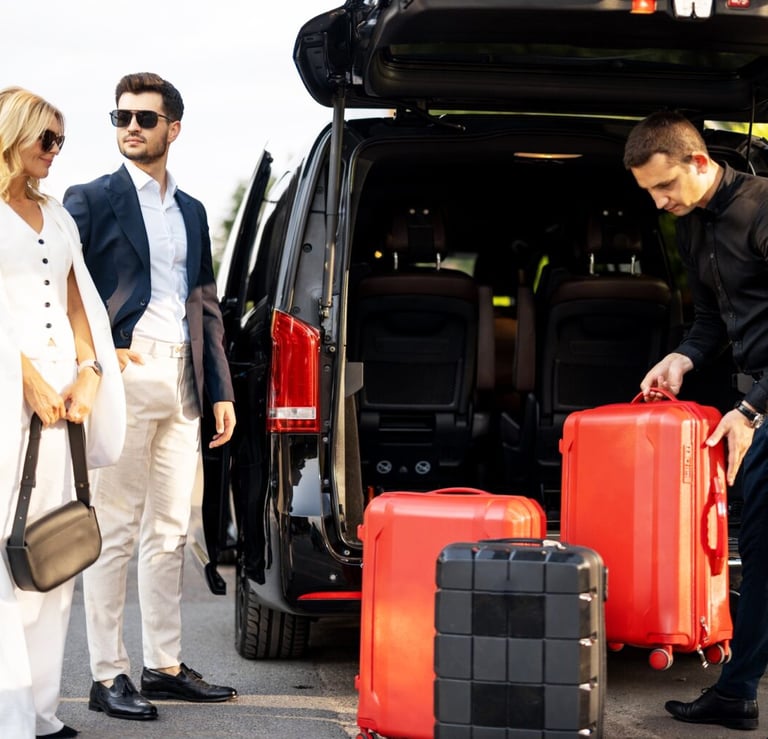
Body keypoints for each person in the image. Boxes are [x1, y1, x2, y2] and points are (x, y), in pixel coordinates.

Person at [63, 72, 237, 722]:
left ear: (173, 128)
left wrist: (218, 387)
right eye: (121, 115)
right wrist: (96, 352)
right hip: (126, 378)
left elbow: (205, 304)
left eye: (143, 116)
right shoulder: (91, 199)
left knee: (169, 531)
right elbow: (60, 284)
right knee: (114, 531)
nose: (130, 125)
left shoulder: (191, 210)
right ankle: (107, 675)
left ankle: (162, 665)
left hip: (184, 384)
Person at [624, 110, 768, 731]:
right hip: (757, 397)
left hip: (762, 402)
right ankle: (737, 695)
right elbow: (712, 318)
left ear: (700, 162)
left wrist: (750, 410)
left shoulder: (763, 208)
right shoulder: (692, 228)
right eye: (649, 191)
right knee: (761, 549)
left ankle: (737, 693)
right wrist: (681, 358)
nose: (659, 201)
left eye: (665, 187)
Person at [0, 87, 125, 738]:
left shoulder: (58, 214)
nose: (55, 152)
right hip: (8, 405)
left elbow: (81, 305)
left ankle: (43, 711)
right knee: (4, 557)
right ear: (12, 134)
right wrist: (25, 379)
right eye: (45, 139)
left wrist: (92, 372)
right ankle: (9, 714)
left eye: (61, 142)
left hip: (64, 409)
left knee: (54, 547)